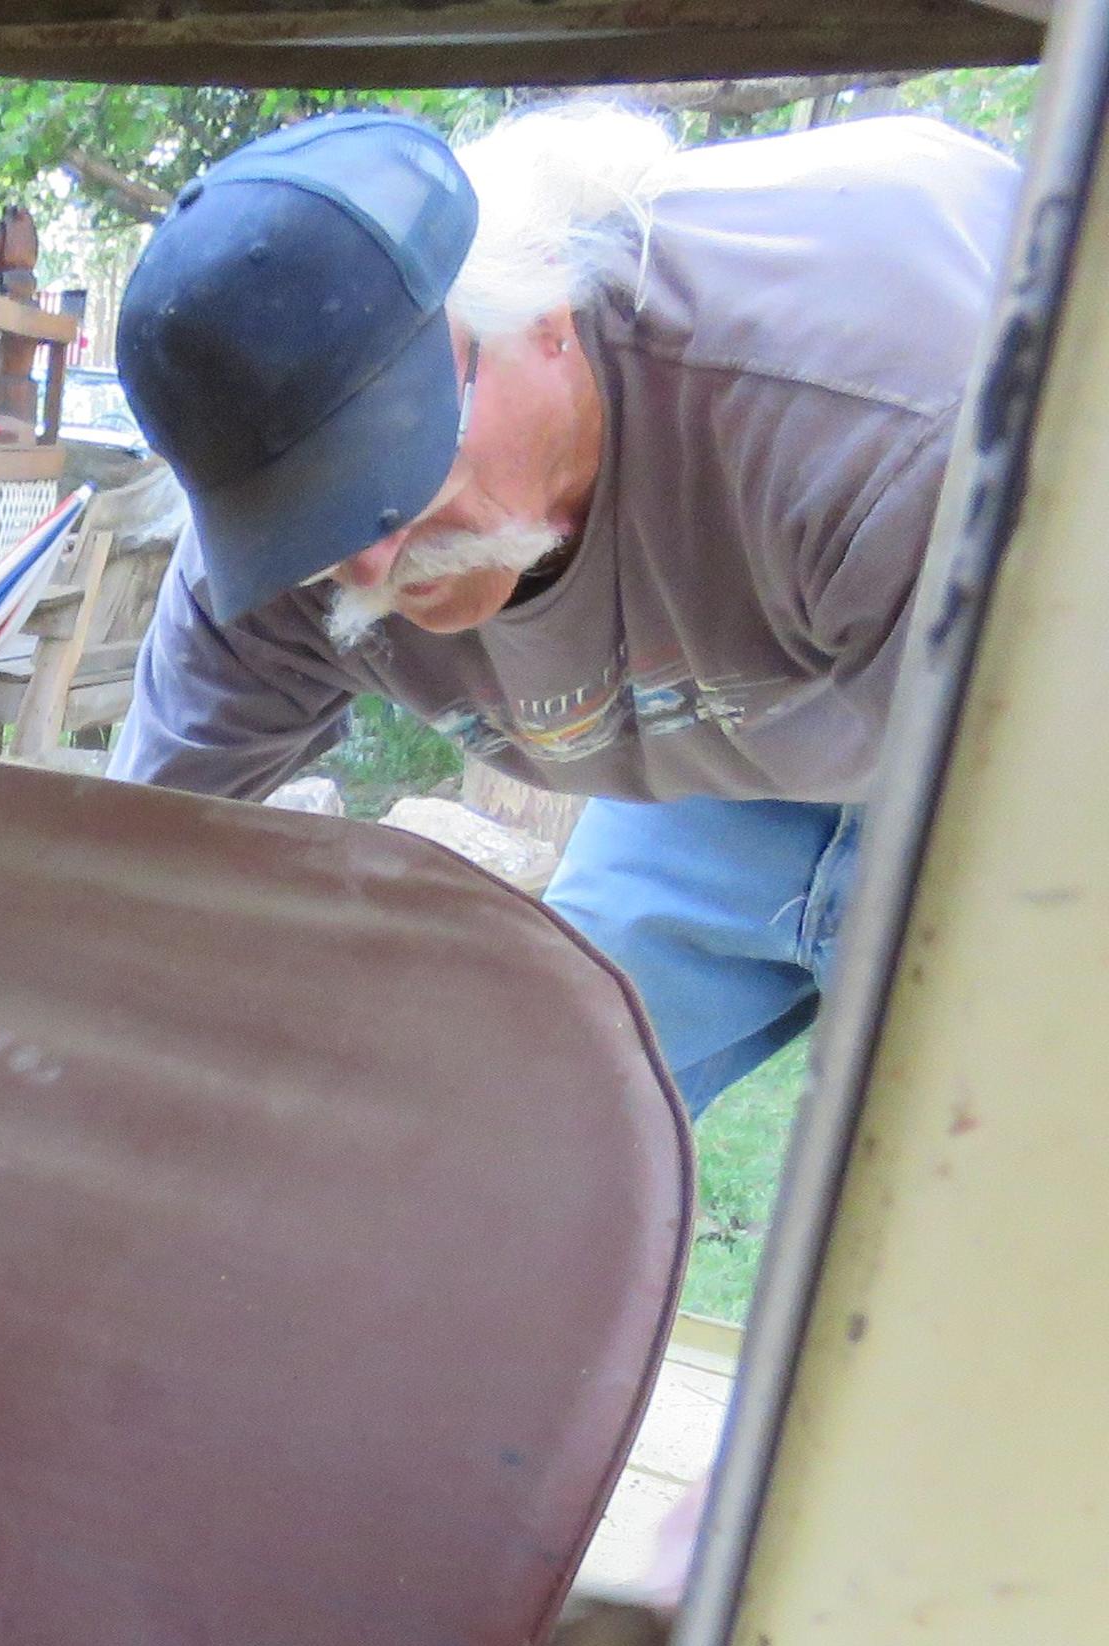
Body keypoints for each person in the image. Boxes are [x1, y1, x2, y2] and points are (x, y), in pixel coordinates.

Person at [106, 102, 1018, 1114]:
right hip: (742, 742)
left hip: (1015, 701)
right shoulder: (279, 560)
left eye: (391, 472)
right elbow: (117, 878)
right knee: (503, 1139)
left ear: (541, 320)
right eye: (312, 517)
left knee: (1002, 1167)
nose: (366, 561)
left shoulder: (875, 424)